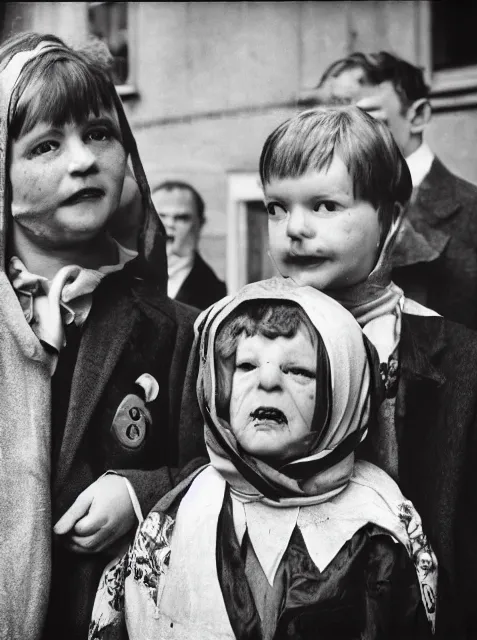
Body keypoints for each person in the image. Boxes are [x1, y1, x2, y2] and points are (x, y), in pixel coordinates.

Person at [259, 106, 477, 639]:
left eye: (325, 205)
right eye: (276, 208)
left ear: (392, 219)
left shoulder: (476, 368)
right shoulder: (234, 344)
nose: (295, 229)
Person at [90, 277, 437, 640]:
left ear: (343, 393)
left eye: (298, 371)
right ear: (218, 387)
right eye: (245, 366)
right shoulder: (177, 514)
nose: (267, 382)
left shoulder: (381, 524)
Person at [0, 32, 204, 640]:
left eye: (99, 133)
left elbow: (224, 471)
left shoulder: (178, 330)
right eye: (45, 146)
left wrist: (144, 491)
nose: (84, 160)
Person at [314, 51, 477, 348]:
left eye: (366, 118)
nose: (342, 136)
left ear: (417, 116)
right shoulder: (309, 211)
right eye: (329, 121)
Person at [151, 180, 227, 310]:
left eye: (181, 218)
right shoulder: (123, 277)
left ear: (200, 224)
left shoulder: (214, 291)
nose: (169, 224)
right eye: (160, 216)